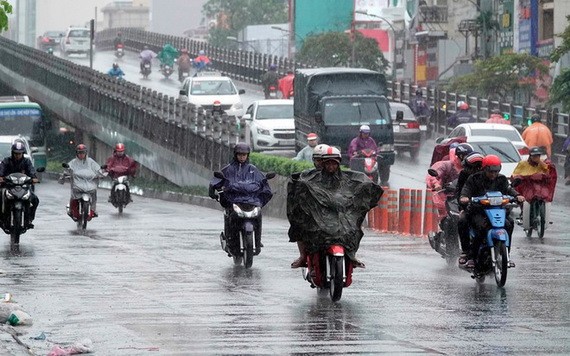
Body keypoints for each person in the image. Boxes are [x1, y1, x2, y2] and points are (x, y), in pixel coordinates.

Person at [288, 146, 383, 268]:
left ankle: (351, 255)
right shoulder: (308, 178)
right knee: (300, 225)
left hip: (341, 215)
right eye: (327, 163)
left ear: (338, 163)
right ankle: (303, 256)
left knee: (355, 228)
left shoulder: (348, 178)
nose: (331, 167)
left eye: (334, 163)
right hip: (317, 217)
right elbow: (298, 188)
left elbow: (362, 182)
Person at [459, 155, 524, 269]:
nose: (494, 174)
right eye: (491, 171)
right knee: (480, 227)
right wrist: (465, 197)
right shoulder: (474, 179)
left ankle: (506, 255)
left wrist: (517, 195)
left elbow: (509, 189)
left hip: (497, 211)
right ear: (485, 168)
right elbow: (466, 190)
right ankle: (472, 257)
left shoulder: (502, 179)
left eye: (496, 171)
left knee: (509, 224)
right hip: (478, 211)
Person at [208, 143, 273, 250]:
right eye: (240, 155)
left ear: (248, 155)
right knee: (230, 217)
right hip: (234, 201)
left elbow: (262, 182)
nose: (242, 157)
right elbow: (216, 181)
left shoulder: (253, 169)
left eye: (244, 155)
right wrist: (213, 192)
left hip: (251, 201)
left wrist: (263, 189)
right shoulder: (228, 169)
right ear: (235, 155)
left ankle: (257, 239)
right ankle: (229, 238)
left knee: (259, 215)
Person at [0, 142, 39, 229]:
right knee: (0, 195)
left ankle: (29, 219)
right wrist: (1, 177)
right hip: (8, 187)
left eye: (19, 153)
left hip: (23, 187)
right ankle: (2, 218)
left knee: (35, 200)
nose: (17, 155)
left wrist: (34, 178)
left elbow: (32, 171)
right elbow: (1, 170)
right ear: (12, 153)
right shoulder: (6, 161)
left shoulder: (27, 162)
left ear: (23, 153)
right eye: (16, 153)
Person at [455, 151, 484, 265]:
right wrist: (463, 203)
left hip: (490, 207)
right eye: (473, 167)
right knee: (462, 221)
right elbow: (460, 192)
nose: (476, 170)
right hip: (471, 207)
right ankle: (466, 251)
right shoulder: (465, 176)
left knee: (508, 222)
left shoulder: (492, 176)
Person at [63, 144, 105, 219]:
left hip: (90, 184)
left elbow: (98, 169)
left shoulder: (91, 162)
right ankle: (71, 210)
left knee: (94, 194)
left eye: (83, 152)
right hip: (77, 185)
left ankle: (93, 210)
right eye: (79, 152)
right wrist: (65, 174)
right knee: (73, 195)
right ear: (77, 153)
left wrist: (102, 173)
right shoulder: (73, 162)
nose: (81, 154)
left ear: (86, 153)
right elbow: (68, 169)